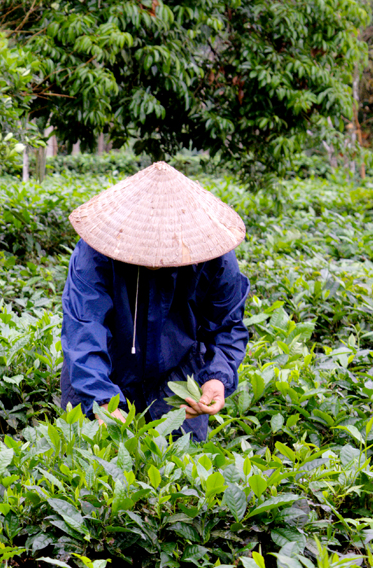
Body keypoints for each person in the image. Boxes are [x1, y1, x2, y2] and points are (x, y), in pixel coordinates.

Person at [60, 161, 250, 440]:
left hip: (177, 374)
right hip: (103, 370)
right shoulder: (95, 254)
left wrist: (216, 378)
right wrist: (101, 401)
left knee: (179, 467)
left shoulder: (215, 258)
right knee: (96, 463)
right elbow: (84, 328)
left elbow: (227, 325)